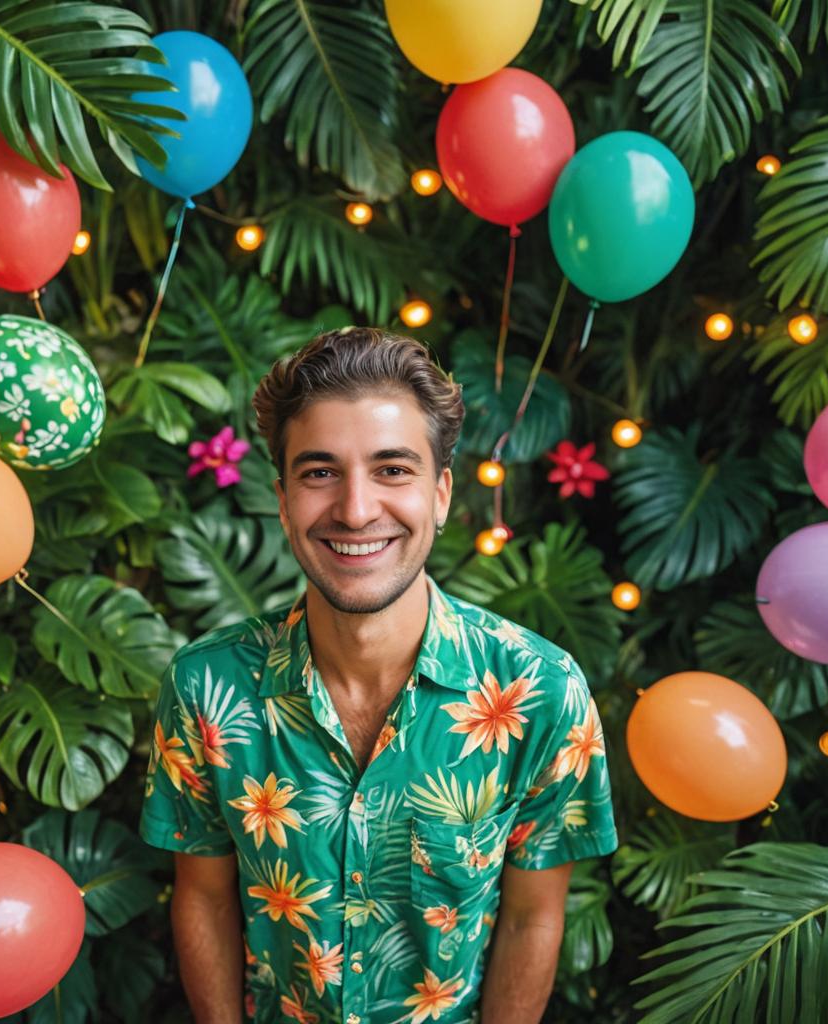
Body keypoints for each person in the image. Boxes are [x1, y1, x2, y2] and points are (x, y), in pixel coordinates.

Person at [139, 328, 617, 1024]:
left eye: (392, 470)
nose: (356, 509)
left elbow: (531, 919)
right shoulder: (206, 688)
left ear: (442, 494)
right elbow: (204, 896)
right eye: (320, 472)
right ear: (282, 499)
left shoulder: (540, 690)